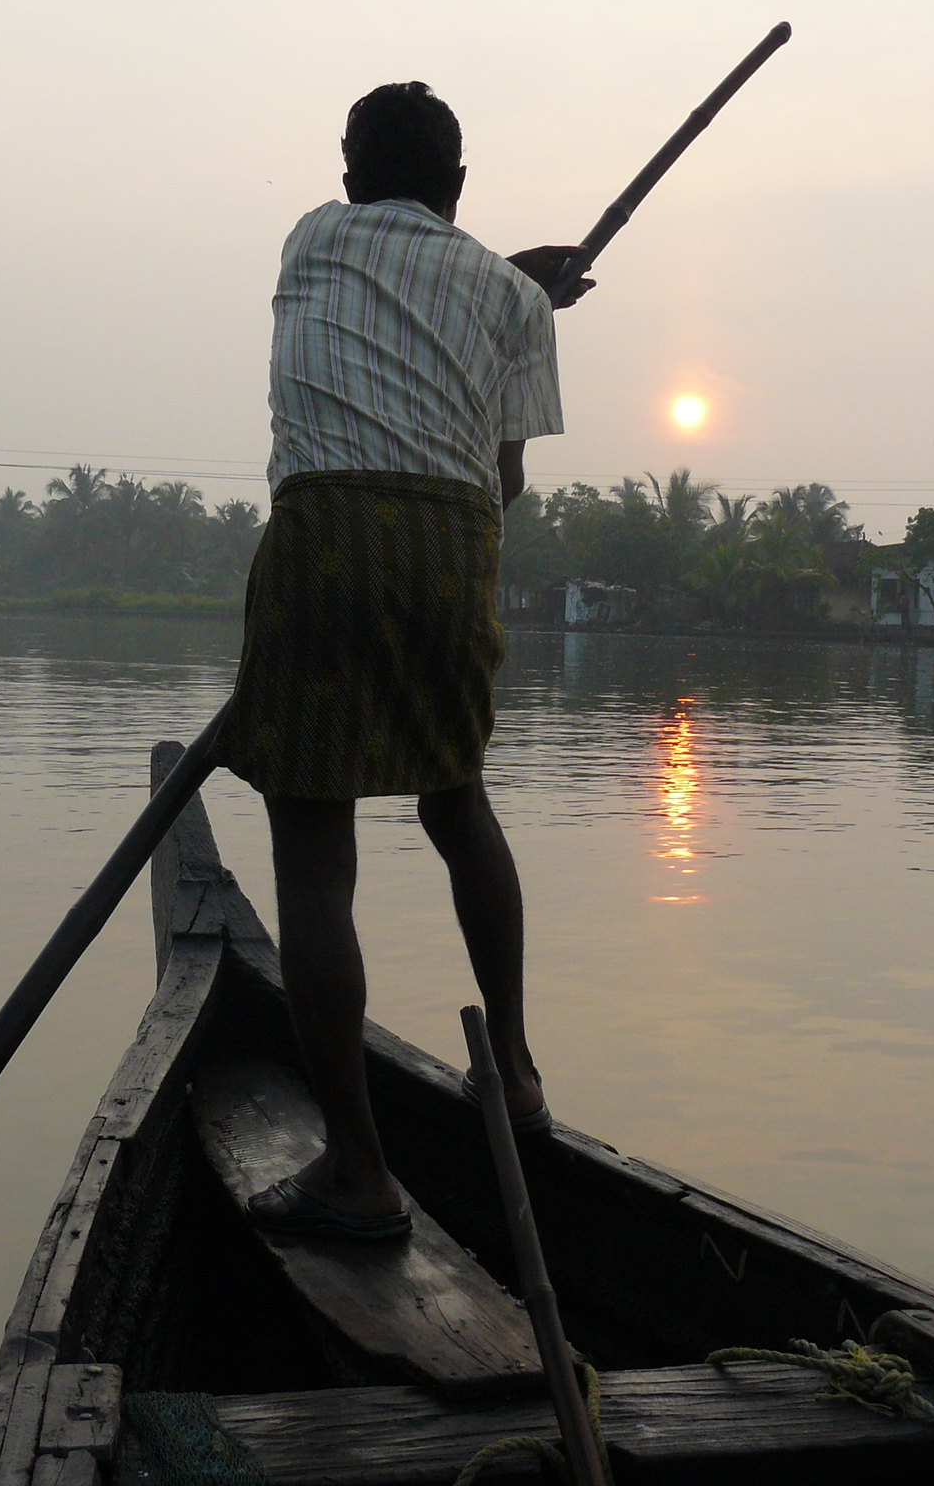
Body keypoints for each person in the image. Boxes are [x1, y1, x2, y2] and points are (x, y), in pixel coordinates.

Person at [214, 81, 590, 1239]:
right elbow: (509, 483)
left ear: (344, 178)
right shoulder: (510, 302)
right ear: (459, 187)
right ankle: (515, 1074)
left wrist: (517, 275)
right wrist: (524, 282)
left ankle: (360, 1174)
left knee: (314, 846)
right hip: (453, 542)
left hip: (326, 533)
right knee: (456, 800)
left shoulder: (311, 237)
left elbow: (417, 264)